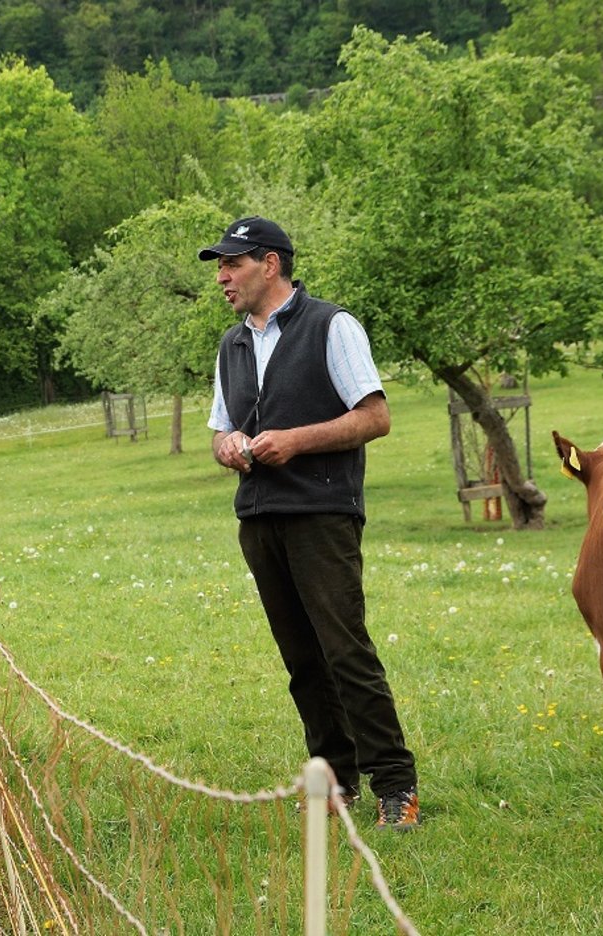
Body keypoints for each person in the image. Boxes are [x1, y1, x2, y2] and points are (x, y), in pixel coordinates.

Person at [199, 216, 421, 829]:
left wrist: (296, 440)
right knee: (301, 659)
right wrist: (227, 446)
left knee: (344, 651)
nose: (222, 277)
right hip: (258, 518)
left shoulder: (332, 325)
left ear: (270, 264)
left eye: (232, 264)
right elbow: (220, 430)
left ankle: (395, 785)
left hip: (322, 514)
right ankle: (336, 778)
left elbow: (374, 417)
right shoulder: (231, 344)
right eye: (220, 266)